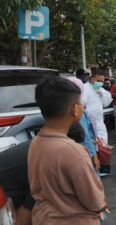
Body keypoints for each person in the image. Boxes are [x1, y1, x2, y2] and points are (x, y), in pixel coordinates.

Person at [28, 76, 108, 225]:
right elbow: (94, 200)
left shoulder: (36, 143)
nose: (82, 106)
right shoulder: (74, 152)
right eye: (80, 103)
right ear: (75, 109)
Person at [67, 77, 101, 172]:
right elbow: (85, 135)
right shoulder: (77, 109)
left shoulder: (65, 108)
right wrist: (94, 155)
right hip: (84, 152)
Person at [82, 67, 113, 143]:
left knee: (103, 145)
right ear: (92, 78)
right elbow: (81, 104)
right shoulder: (85, 88)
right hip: (88, 123)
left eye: (102, 81)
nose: (100, 83)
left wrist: (101, 93)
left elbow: (106, 103)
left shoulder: (100, 88)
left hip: (99, 122)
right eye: (98, 80)